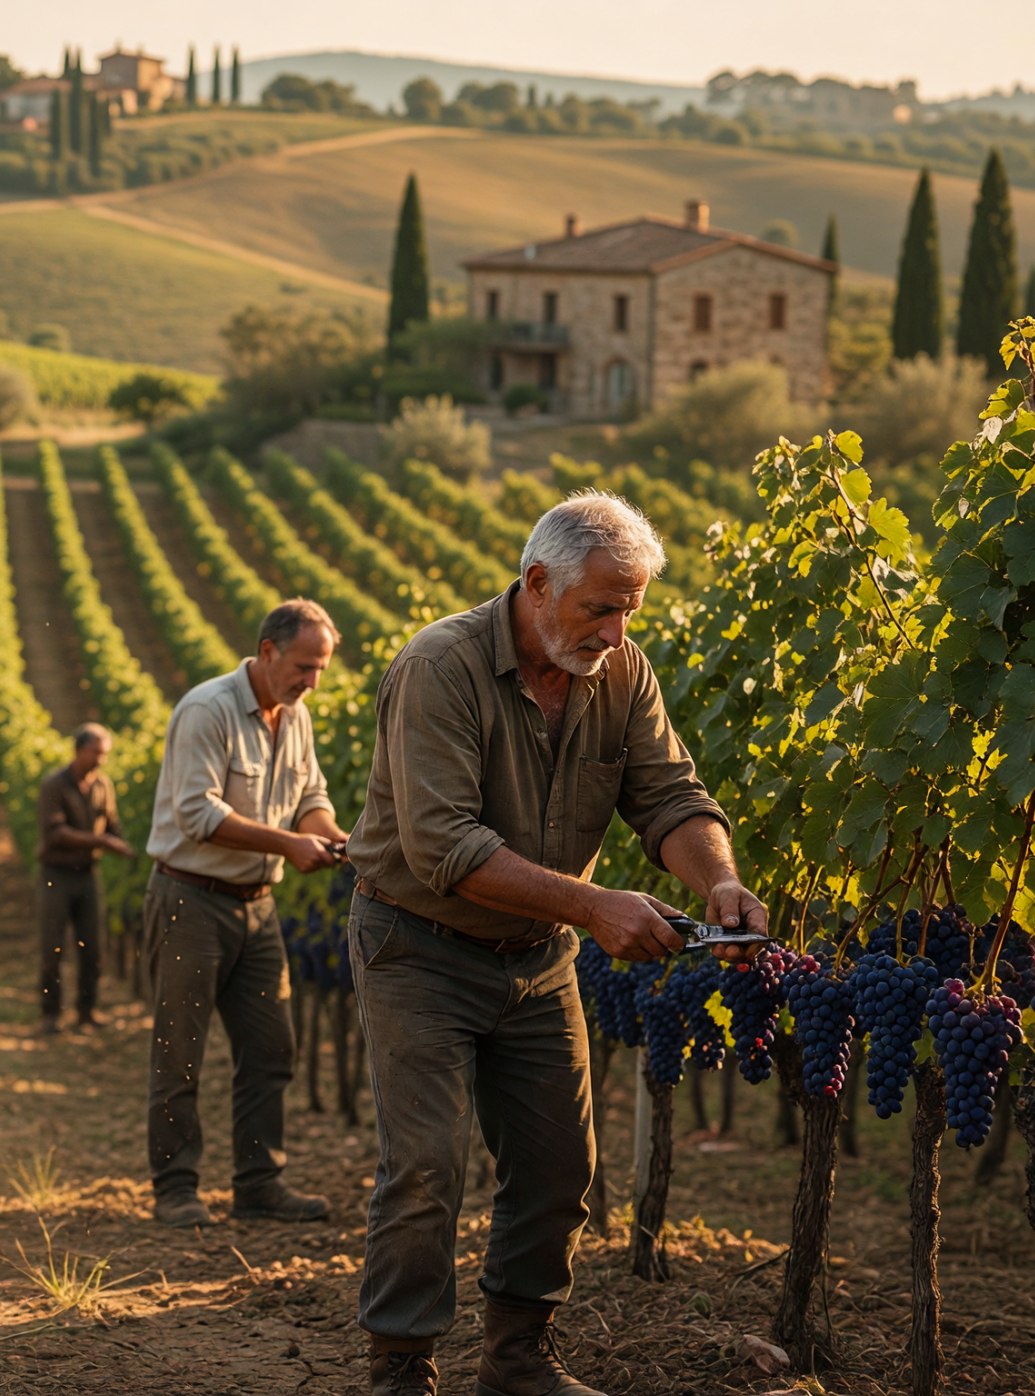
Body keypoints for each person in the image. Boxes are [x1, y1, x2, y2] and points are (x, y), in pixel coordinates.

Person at [345, 490, 766, 1396]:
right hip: (417, 944)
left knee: (557, 1164)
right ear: (538, 584)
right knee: (424, 1164)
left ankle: (516, 1357)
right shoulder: (440, 667)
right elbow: (445, 847)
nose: (617, 629)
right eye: (601, 606)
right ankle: (400, 1367)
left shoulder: (623, 673)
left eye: (632, 607)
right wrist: (596, 907)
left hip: (537, 956)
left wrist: (719, 882)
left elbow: (671, 799)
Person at [142, 599, 349, 1229]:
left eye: (321, 669)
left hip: (256, 908)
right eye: (305, 666)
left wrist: (334, 839)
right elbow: (196, 815)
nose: (313, 681)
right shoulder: (207, 711)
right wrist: (289, 844)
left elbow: (310, 797)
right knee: (181, 1049)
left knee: (270, 1047)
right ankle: (175, 1188)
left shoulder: (295, 717)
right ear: (266, 651)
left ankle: (259, 1184)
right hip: (189, 901)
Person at [36, 722, 131, 1034]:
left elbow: (113, 827)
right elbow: (56, 834)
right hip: (57, 876)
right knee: (53, 948)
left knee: (93, 948)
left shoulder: (104, 786)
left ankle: (86, 1011)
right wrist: (102, 842)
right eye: (96, 753)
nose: (101, 760)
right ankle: (51, 1014)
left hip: (88, 876)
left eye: (105, 754)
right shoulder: (54, 786)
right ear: (79, 750)